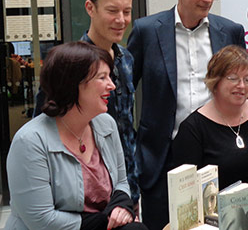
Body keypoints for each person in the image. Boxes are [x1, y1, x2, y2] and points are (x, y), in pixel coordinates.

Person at [127, 0, 246, 229]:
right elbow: (124, 92)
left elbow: (244, 89)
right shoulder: (147, 31)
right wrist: (134, 150)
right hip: (162, 157)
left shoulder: (229, 31)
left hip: (218, 151)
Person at [6, 42, 147, 230]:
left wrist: (122, 206)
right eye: (102, 78)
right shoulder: (30, 141)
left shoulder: (106, 125)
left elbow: (121, 182)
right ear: (73, 83)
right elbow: (41, 220)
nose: (112, 86)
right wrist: (106, 221)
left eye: (110, 77)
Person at [34, 0, 141, 210]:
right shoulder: (67, 65)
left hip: (126, 188)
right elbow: (40, 130)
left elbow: (126, 126)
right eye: (112, 11)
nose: (121, 20)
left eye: (127, 11)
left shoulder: (127, 59)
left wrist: (133, 189)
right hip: (83, 197)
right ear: (90, 8)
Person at [171, 45, 248, 191]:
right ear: (215, 81)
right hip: (219, 212)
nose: (241, 86)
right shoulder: (193, 129)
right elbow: (187, 192)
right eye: (233, 79)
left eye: (247, 80)